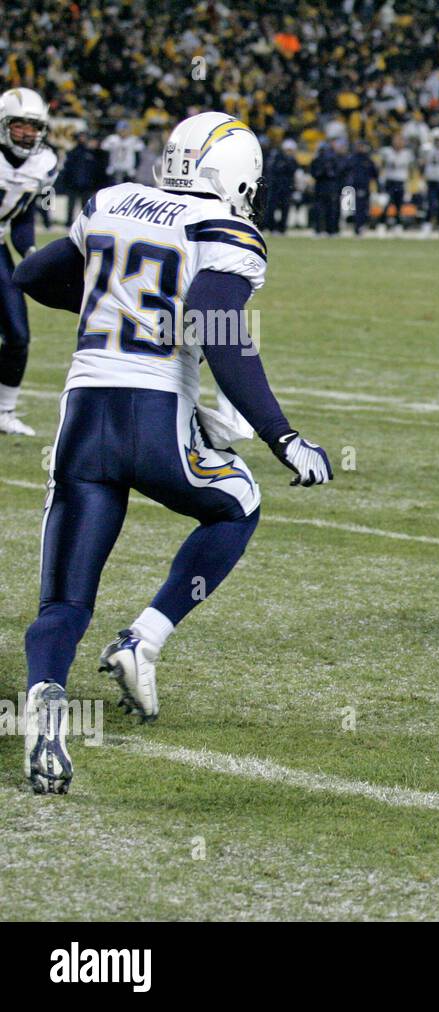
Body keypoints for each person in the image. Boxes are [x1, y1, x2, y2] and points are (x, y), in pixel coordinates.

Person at [13, 112, 332, 794]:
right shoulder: (227, 230)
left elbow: (34, 275)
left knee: (65, 602)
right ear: (237, 174)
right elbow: (222, 332)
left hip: (83, 421)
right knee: (237, 502)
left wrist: (116, 302)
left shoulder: (110, 201)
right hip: (153, 420)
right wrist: (283, 436)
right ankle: (144, 639)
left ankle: (44, 703)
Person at [0, 88, 59, 437]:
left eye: (33, 126)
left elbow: (22, 216)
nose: (26, 133)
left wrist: (32, 253)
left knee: (18, 335)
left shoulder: (45, 163)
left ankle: (4, 412)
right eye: (19, 125)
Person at [62, 133, 102, 227]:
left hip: (86, 184)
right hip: (74, 183)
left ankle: (84, 223)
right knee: (71, 205)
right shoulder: (73, 152)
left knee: (85, 206)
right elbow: (68, 168)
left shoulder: (92, 153)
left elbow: (95, 169)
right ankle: (69, 222)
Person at [377, 133, 413, 232]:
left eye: (400, 140)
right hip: (390, 181)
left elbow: (410, 169)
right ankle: (381, 223)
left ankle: (398, 225)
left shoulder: (407, 153)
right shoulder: (387, 152)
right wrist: (381, 178)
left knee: (399, 205)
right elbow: (381, 165)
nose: (398, 142)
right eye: (396, 140)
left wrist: (410, 183)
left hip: (401, 181)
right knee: (387, 203)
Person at [343, 140, 378, 235]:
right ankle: (358, 227)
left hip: (364, 187)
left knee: (363, 208)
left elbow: (375, 174)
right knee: (356, 208)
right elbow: (345, 171)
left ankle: (360, 226)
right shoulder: (352, 159)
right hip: (353, 187)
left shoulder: (368, 159)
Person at [264, 138, 299, 234]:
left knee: (285, 208)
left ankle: (282, 228)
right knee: (272, 208)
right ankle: (271, 227)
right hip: (276, 187)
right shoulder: (277, 158)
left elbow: (293, 171)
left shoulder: (292, 160)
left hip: (287, 188)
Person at [310, 138, 343, 236]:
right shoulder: (318, 160)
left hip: (328, 186)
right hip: (323, 186)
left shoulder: (333, 159)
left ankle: (329, 230)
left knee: (330, 209)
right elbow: (314, 173)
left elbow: (338, 173)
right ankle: (322, 230)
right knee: (322, 209)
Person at [102, 120, 143, 186]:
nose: (123, 132)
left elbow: (138, 155)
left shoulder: (134, 139)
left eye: (125, 130)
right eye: (121, 130)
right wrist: (108, 165)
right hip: (114, 167)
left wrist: (135, 168)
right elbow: (105, 153)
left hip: (128, 169)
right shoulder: (112, 139)